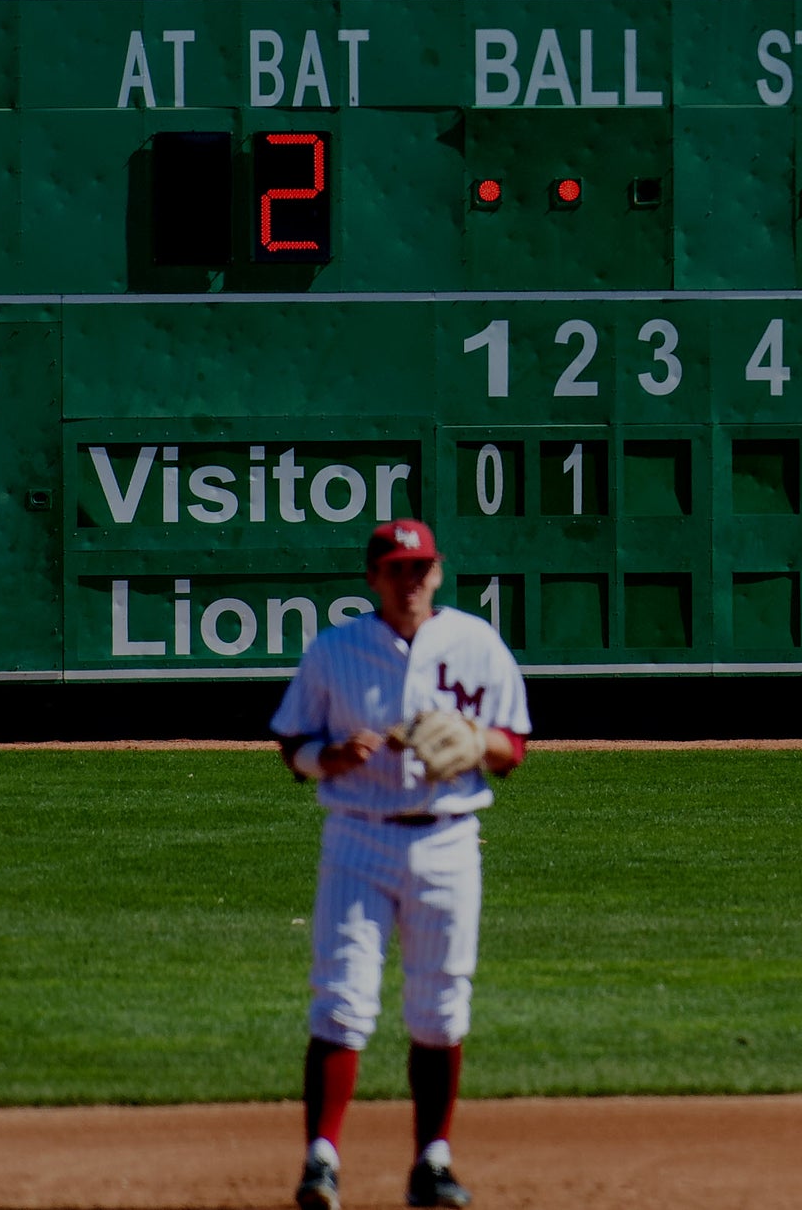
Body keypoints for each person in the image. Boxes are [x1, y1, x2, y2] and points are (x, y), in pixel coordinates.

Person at [271, 518, 530, 1210]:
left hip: (448, 840)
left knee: (441, 1005)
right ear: (373, 578)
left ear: (437, 573)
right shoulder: (335, 650)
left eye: (420, 568)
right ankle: (321, 1160)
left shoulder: (477, 643)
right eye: (396, 569)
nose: (410, 580)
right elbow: (292, 743)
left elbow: (513, 747)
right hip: (357, 836)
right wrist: (325, 757)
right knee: (342, 996)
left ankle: (432, 1162)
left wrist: (477, 740)